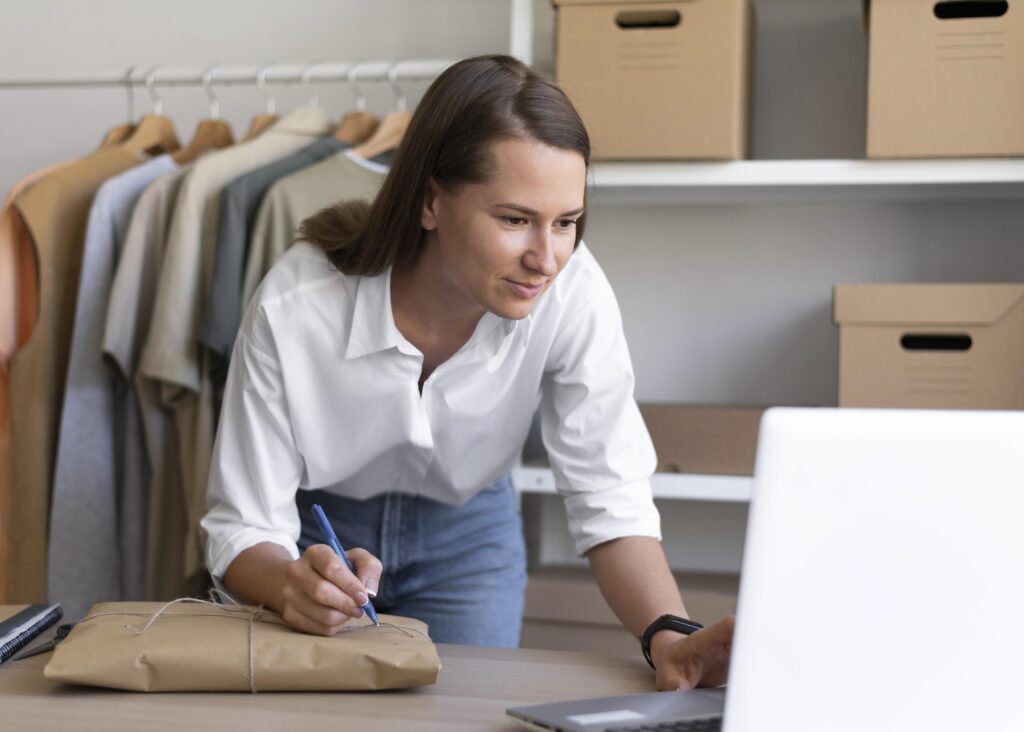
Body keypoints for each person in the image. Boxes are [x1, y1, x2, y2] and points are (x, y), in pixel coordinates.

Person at [201, 54, 733, 691]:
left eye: (566, 222)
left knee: (464, 713)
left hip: (469, 535)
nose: (546, 259)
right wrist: (291, 581)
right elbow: (242, 524)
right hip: (319, 531)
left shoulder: (574, 292)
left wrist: (668, 635)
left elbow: (609, 491)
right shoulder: (296, 305)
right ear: (430, 201)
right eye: (514, 219)